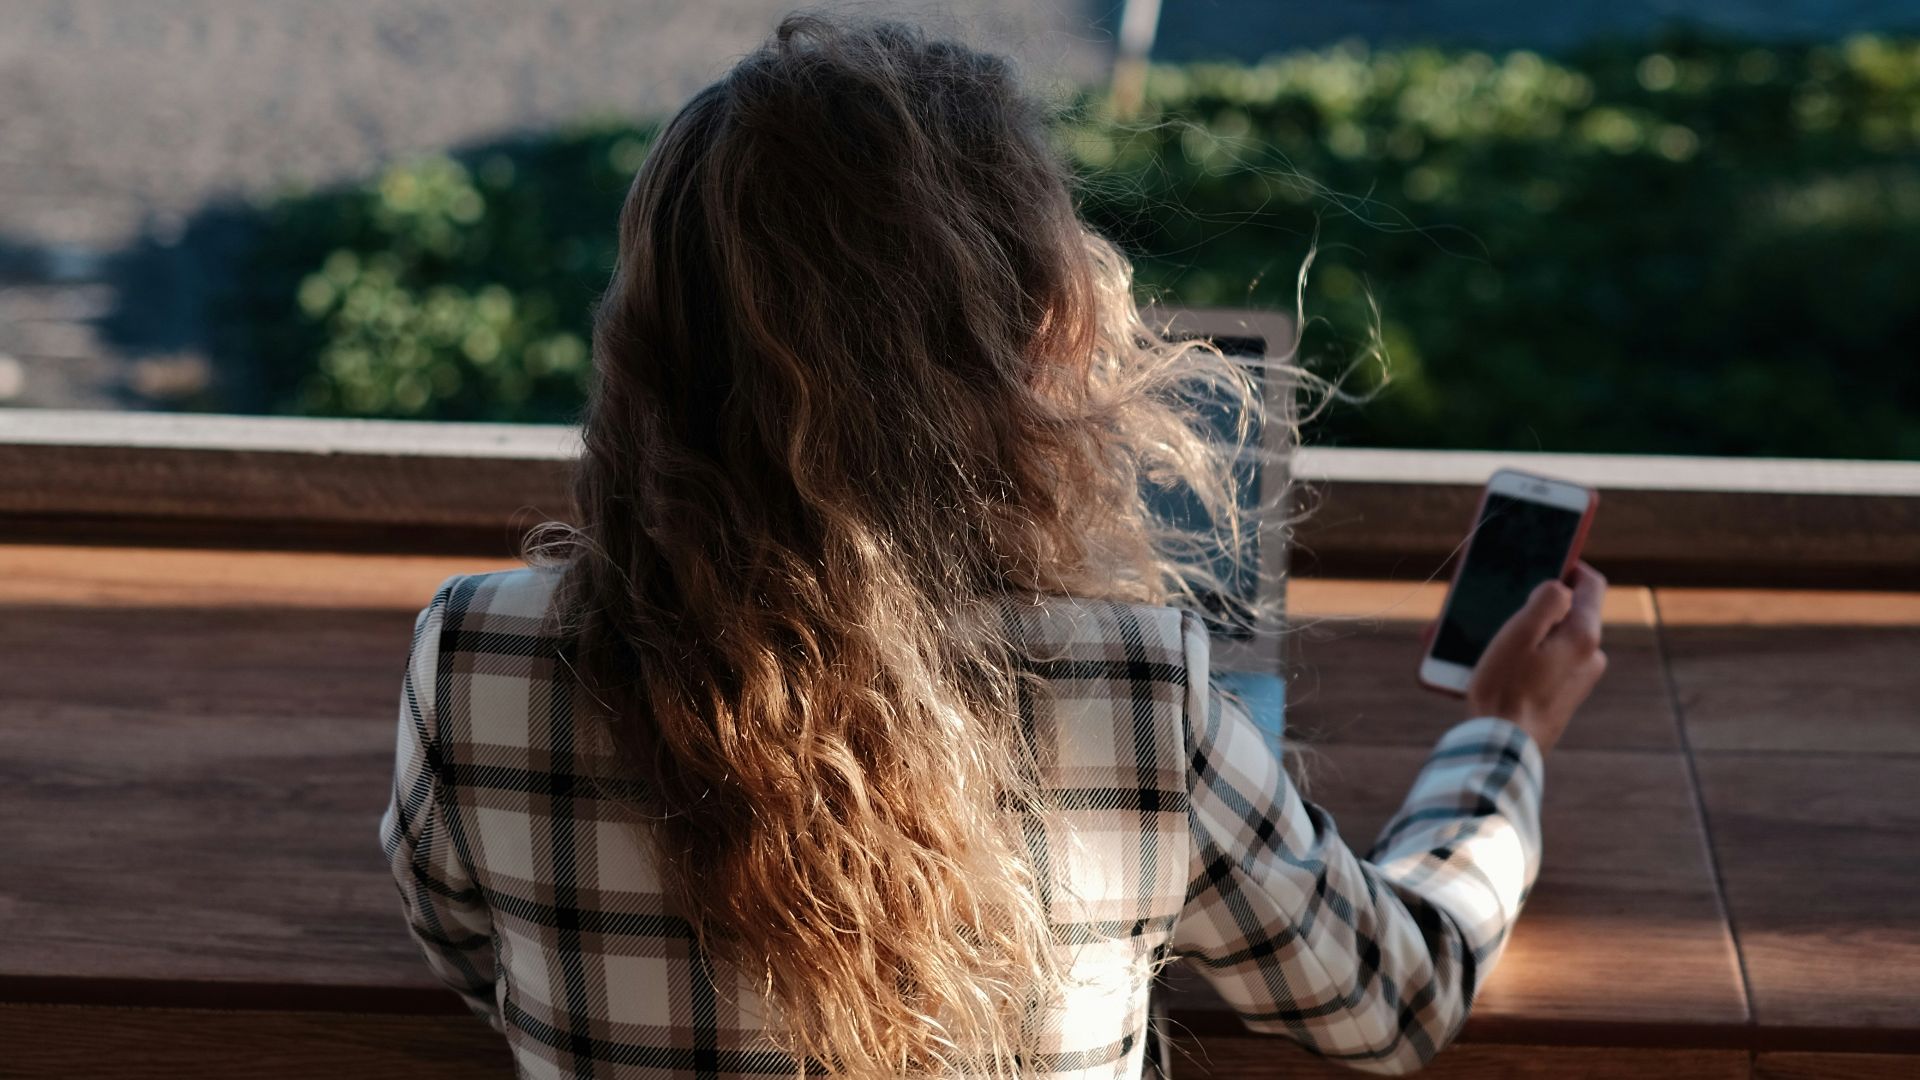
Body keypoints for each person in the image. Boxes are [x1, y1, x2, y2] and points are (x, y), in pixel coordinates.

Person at [379, 15, 1609, 1079]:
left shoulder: (479, 660)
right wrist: (1502, 735)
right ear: (1032, 343)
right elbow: (1399, 998)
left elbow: (470, 952)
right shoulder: (1132, 694)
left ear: (648, 334)